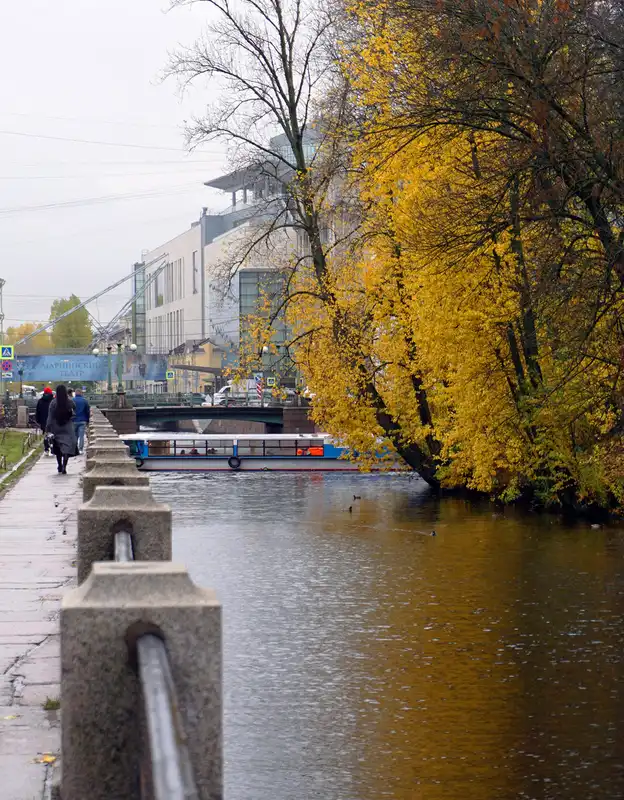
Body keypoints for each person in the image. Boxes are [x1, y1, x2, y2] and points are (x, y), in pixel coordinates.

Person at [46, 385, 77, 474]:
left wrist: (48, 427)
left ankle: (59, 465)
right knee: (67, 446)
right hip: (67, 426)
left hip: (56, 427)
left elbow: (50, 416)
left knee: (57, 446)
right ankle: (64, 466)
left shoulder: (53, 403)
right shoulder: (70, 402)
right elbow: (74, 410)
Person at [35, 388, 54, 455]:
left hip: (43, 421)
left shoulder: (40, 401)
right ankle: (52, 447)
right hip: (52, 421)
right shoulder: (53, 401)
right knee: (52, 434)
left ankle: (46, 449)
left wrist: (38, 420)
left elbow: (37, 412)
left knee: (45, 434)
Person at [73, 388, 91, 454]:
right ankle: (80, 449)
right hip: (83, 420)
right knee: (81, 436)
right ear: (81, 393)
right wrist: (88, 420)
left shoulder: (72, 400)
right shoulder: (84, 401)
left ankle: (74, 449)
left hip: (74, 420)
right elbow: (87, 411)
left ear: (75, 393)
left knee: (75, 436)